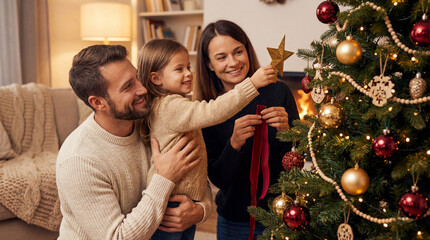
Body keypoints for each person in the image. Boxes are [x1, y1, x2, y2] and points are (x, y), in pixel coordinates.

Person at [56, 44, 213, 239]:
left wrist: (200, 210)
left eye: (137, 77)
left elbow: (194, 170)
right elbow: (117, 237)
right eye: (128, 86)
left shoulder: (154, 120)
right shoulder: (78, 160)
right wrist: (164, 178)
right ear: (98, 102)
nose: (143, 88)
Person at [137, 39, 277, 240]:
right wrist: (251, 84)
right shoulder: (169, 106)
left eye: (188, 66)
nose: (188, 73)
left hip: (183, 203)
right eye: (179, 69)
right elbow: (213, 111)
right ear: (156, 78)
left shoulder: (175, 105)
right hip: (171, 206)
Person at [194, 20, 300, 239]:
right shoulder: (208, 109)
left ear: (247, 50)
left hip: (283, 214)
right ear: (209, 64)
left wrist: (288, 132)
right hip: (234, 220)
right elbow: (219, 179)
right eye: (221, 57)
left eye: (238, 52)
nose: (233, 62)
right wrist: (234, 144)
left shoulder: (279, 92)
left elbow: (299, 160)